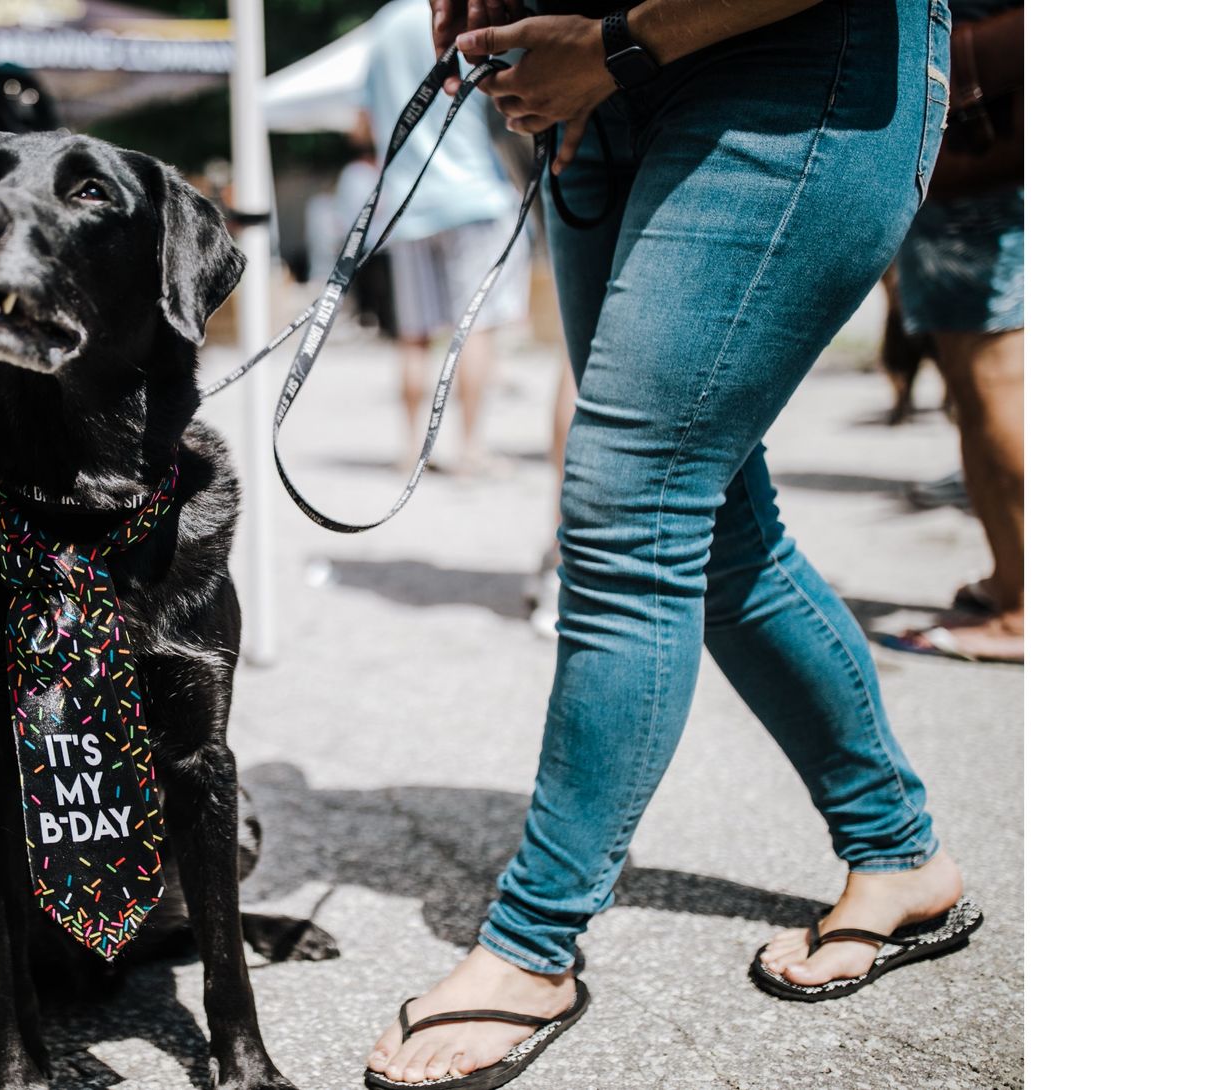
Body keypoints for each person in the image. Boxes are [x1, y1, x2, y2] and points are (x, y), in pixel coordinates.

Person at [362, 3, 969, 1086]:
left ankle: (528, 948)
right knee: (717, 522)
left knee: (628, 508)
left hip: (787, 69)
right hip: (595, 96)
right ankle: (898, 854)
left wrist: (612, 45)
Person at [889, 1, 1023, 664]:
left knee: (995, 380)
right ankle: (1013, 579)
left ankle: (1029, 604)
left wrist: (954, 65)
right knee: (975, 387)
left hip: (988, 135)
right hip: (975, 135)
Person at [362, 0, 532, 477]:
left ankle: (409, 447)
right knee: (476, 326)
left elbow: (364, 115)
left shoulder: (383, 25)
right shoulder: (474, 9)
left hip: (405, 200)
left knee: (413, 336)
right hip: (475, 192)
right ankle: (470, 448)